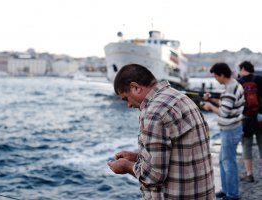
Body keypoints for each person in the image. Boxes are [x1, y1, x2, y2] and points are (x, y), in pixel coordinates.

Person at [107, 64, 215, 199]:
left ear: (135, 87)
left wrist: (126, 166)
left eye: (126, 98)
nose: (128, 105)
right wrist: (137, 157)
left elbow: (153, 176)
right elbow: (178, 152)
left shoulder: (154, 112)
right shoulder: (180, 97)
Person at [201, 63, 244, 200]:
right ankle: (226, 190)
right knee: (222, 161)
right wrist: (212, 99)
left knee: (229, 162)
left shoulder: (230, 88)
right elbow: (226, 104)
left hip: (230, 130)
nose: (215, 79)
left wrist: (209, 106)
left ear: (222, 75)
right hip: (231, 129)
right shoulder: (232, 85)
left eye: (215, 76)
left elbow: (224, 112)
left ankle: (233, 194)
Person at [238, 61, 262, 183]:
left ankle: (249, 174)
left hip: (246, 118)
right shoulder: (259, 79)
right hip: (260, 118)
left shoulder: (239, 82)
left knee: (246, 146)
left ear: (243, 69)